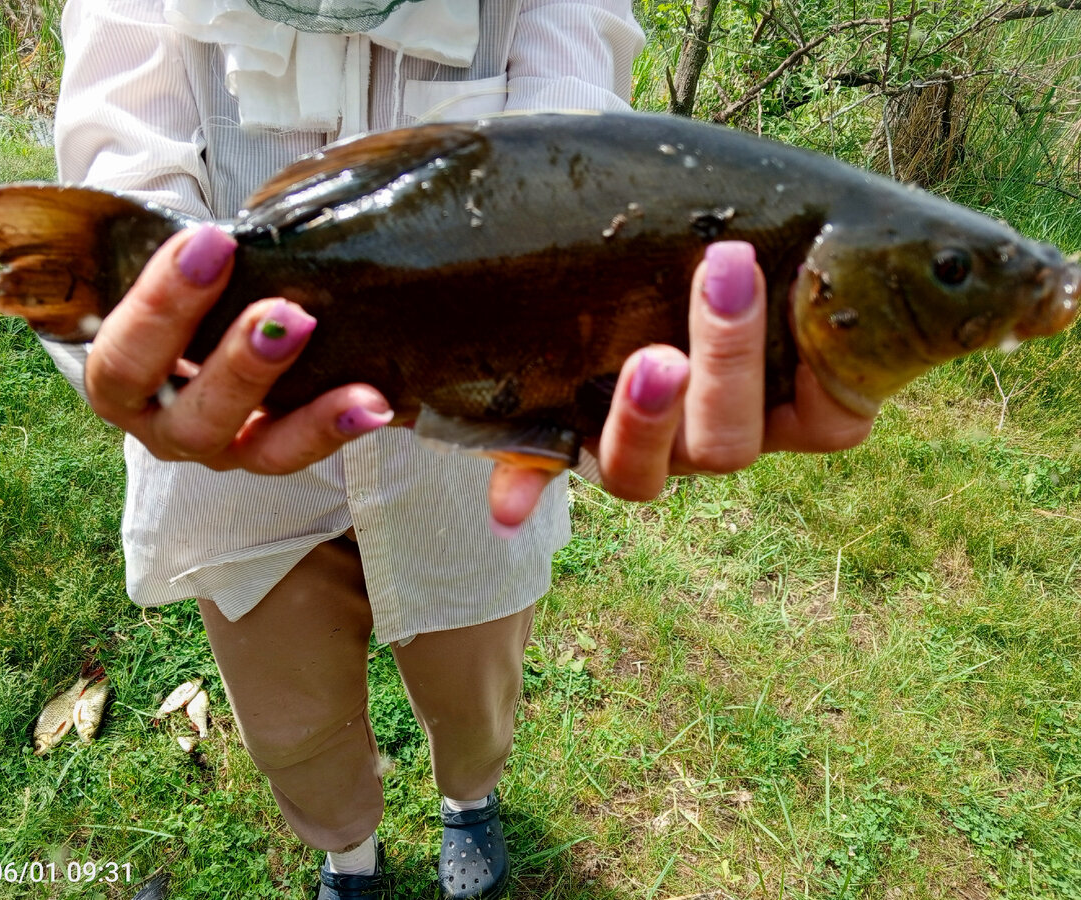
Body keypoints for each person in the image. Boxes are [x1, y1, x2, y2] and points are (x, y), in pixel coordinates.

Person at [45, 0, 875, 897]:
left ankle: (468, 801)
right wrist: (147, 338)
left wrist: (601, 344)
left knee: (475, 688)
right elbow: (121, 153)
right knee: (290, 724)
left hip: (466, 468)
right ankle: (348, 857)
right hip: (231, 474)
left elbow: (570, 145)